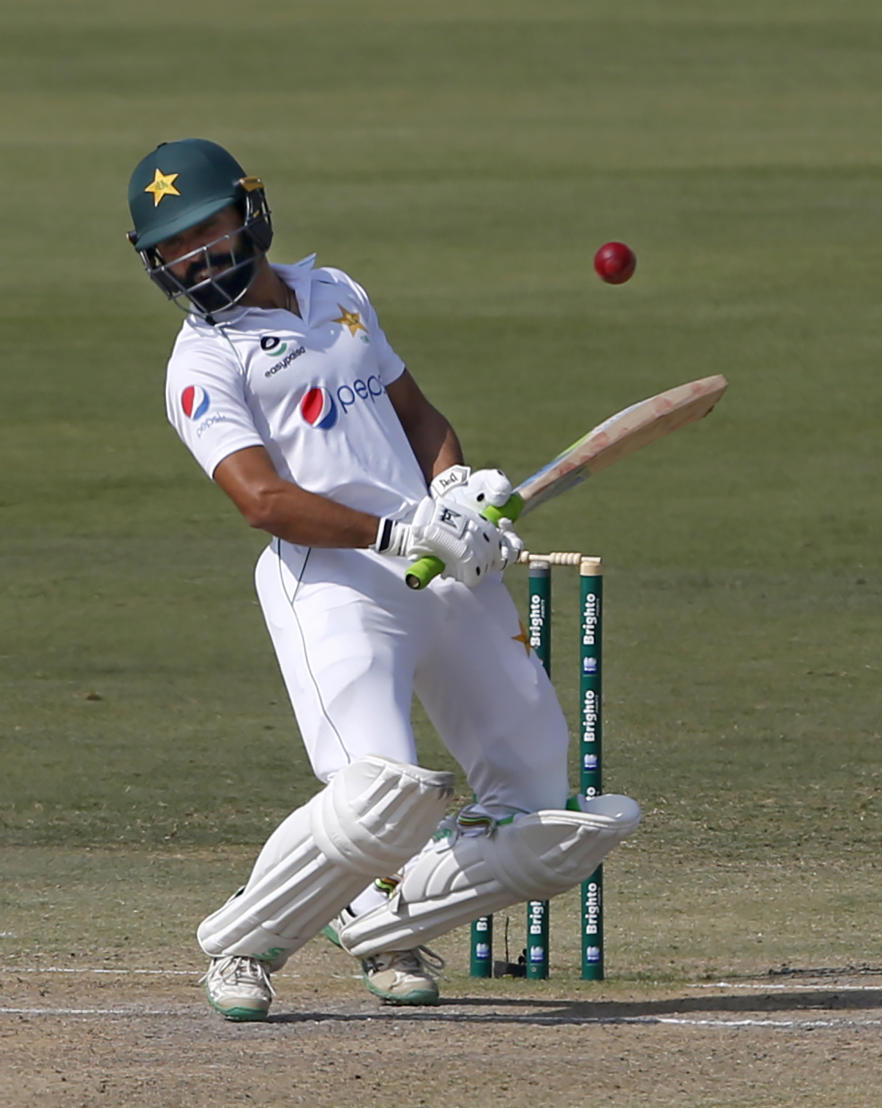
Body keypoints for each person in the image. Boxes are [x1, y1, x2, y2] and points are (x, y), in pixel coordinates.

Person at [127, 138, 641, 1021]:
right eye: (173, 246)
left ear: (250, 214)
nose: (194, 257)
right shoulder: (202, 365)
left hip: (446, 569)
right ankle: (243, 945)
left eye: (206, 229)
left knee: (556, 824)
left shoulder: (338, 292)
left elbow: (415, 411)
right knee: (382, 797)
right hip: (335, 587)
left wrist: (452, 489)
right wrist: (400, 528)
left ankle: (385, 919)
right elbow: (262, 500)